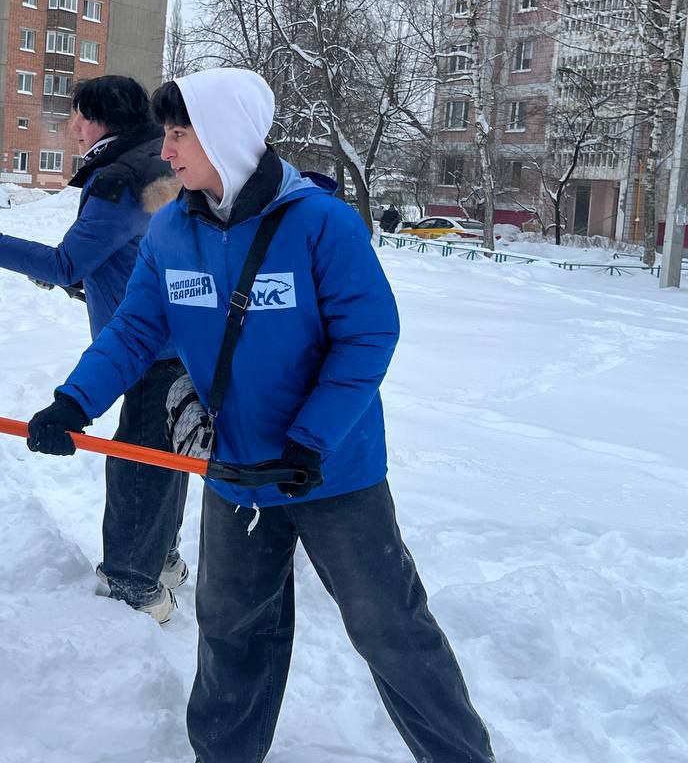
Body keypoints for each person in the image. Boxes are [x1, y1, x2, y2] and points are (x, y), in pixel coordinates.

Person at [25, 68, 496, 763]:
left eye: (181, 134)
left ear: (226, 135)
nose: (166, 151)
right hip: (237, 472)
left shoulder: (321, 225)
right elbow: (132, 332)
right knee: (231, 630)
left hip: (330, 473)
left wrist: (311, 441)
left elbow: (368, 337)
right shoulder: (171, 231)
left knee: (387, 627)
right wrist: (74, 401)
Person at [0, 75, 189, 623]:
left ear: (104, 121)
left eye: (79, 116)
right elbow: (134, 250)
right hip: (179, 334)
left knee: (138, 465)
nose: (72, 127)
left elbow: (66, 262)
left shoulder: (117, 179)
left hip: (148, 344)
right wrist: (82, 281)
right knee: (162, 456)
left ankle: (136, 588)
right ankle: (162, 558)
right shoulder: (157, 158)